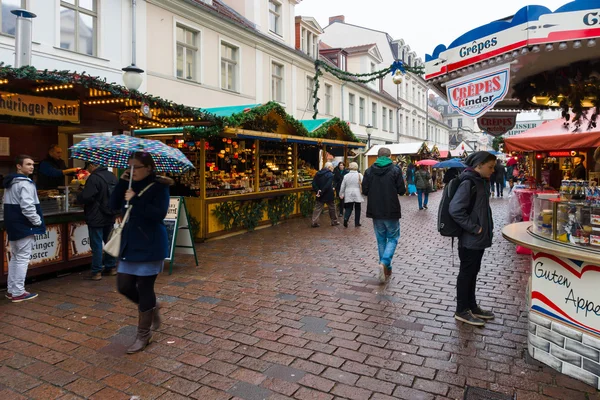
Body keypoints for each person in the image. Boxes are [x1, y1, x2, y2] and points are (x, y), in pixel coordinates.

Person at [109, 152, 173, 353]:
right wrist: (121, 183)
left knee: (145, 288)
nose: (132, 171)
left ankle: (143, 335)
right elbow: (111, 206)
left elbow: (158, 214)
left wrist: (136, 200)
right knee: (124, 285)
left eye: (136, 167)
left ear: (148, 167)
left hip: (150, 243)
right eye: (130, 167)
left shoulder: (159, 187)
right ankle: (152, 307)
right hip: (129, 243)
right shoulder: (128, 184)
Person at [449, 151, 496, 326]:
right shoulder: (469, 182)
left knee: (472, 272)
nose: (492, 170)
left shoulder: (480, 181)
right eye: (490, 167)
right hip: (470, 239)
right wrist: (475, 228)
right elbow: (455, 209)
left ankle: (472, 306)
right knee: (466, 273)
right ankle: (461, 310)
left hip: (477, 238)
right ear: (479, 165)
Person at [3, 155, 46, 302]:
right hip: (24, 225)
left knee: (15, 258)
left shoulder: (10, 183)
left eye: (33, 164)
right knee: (22, 259)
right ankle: (18, 292)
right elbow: (28, 207)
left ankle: (12, 290)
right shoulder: (26, 184)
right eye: (28, 164)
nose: (32, 167)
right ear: (18, 166)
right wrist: (37, 221)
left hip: (13, 224)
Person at [362, 147, 406, 283]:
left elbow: (364, 190)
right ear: (389, 156)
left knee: (381, 239)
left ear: (378, 156)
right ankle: (385, 262)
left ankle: (386, 267)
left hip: (375, 210)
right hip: (391, 209)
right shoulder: (395, 170)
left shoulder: (369, 171)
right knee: (392, 238)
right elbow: (402, 190)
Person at [77, 162, 119, 280]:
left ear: (92, 165)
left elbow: (86, 197)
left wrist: (78, 195)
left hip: (96, 215)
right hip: (110, 214)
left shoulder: (94, 178)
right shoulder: (112, 176)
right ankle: (111, 267)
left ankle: (96, 271)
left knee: (96, 244)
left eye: (88, 167)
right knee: (109, 241)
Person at [311, 162, 339, 227]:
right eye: (332, 167)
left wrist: (318, 190)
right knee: (332, 208)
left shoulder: (317, 173)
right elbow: (328, 185)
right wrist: (322, 191)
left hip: (320, 194)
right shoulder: (330, 175)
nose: (333, 168)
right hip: (328, 194)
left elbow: (313, 183)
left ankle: (314, 222)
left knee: (317, 208)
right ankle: (334, 221)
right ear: (329, 167)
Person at [339, 162, 364, 228]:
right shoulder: (360, 175)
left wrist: (341, 193)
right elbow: (364, 183)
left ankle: (346, 218)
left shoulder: (346, 176)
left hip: (348, 193)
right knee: (358, 208)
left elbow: (343, 186)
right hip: (357, 192)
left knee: (349, 207)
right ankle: (357, 222)